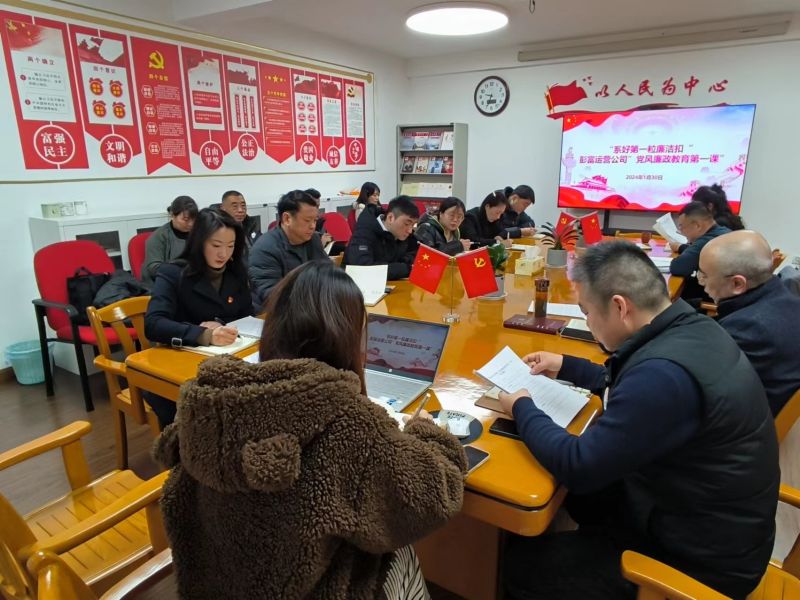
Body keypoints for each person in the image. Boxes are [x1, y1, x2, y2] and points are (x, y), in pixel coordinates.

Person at [153, 260, 467, 599]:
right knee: (400, 552)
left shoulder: (210, 405)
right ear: (349, 336)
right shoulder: (349, 423)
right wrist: (428, 432)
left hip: (217, 586)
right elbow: (435, 496)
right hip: (315, 589)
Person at [498, 241, 778, 599]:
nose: (588, 322)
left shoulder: (663, 377)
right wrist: (566, 365)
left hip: (699, 567)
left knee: (521, 565)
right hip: (710, 523)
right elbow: (630, 382)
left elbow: (578, 465)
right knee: (583, 500)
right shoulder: (690, 328)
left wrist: (522, 406)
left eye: (587, 312)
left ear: (619, 307)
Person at [144, 208, 252, 427]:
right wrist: (203, 334)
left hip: (226, 360)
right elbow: (154, 324)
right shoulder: (173, 273)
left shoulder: (235, 271)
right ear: (199, 242)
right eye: (216, 246)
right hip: (180, 366)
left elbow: (245, 314)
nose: (223, 254)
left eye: (230, 246)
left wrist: (220, 324)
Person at [699, 230, 800, 415]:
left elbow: (705, 392)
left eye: (704, 275)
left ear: (737, 284)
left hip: (753, 423)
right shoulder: (786, 298)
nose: (701, 282)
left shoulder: (747, 329)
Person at [248, 189, 327, 310]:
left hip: (310, 307)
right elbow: (273, 296)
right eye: (307, 220)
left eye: (315, 220)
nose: (312, 226)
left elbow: (328, 272)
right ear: (287, 219)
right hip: (274, 313)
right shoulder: (265, 249)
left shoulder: (313, 239)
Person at [343, 195, 419, 279]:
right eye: (407, 224)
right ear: (390, 218)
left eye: (413, 225)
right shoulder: (364, 232)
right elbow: (363, 269)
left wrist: (404, 262)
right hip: (354, 284)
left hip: (390, 284)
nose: (410, 230)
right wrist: (405, 269)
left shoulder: (402, 233)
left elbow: (415, 253)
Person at [669, 201, 731, 300]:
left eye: (681, 227)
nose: (681, 231)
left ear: (697, 225)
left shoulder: (707, 241)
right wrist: (681, 247)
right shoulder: (722, 232)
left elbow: (678, 267)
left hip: (713, 300)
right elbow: (699, 253)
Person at [141, 196, 198, 284]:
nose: (190, 224)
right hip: (163, 282)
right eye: (185, 219)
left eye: (193, 219)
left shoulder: (198, 233)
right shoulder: (159, 237)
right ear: (172, 215)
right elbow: (153, 268)